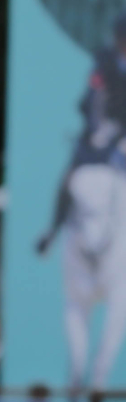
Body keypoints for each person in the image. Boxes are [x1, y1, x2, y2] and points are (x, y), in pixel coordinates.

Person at [37, 12, 126, 255]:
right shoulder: (104, 61)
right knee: (68, 179)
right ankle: (52, 231)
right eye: (121, 38)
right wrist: (100, 126)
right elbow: (92, 99)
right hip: (98, 135)